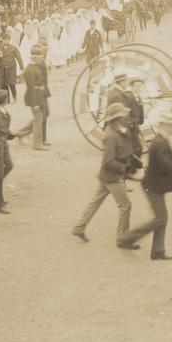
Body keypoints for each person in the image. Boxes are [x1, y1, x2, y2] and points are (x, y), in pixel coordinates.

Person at [117, 111, 172, 260]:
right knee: (160, 219)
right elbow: (165, 165)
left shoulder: (161, 140)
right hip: (154, 187)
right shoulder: (160, 143)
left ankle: (157, 250)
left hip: (154, 185)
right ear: (165, 125)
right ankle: (127, 239)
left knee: (162, 218)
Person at [72, 103, 135, 244]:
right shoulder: (111, 135)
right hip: (113, 177)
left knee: (95, 202)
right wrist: (124, 169)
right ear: (117, 118)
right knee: (125, 206)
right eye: (124, 115)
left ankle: (79, 227)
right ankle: (122, 237)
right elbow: (108, 161)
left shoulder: (119, 129)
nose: (127, 117)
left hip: (107, 175)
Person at [22, 48, 51, 151]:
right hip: (35, 97)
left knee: (41, 118)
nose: (41, 60)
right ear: (34, 57)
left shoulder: (36, 67)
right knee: (38, 121)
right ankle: (37, 144)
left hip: (40, 96)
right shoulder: (29, 70)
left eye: (42, 58)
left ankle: (22, 134)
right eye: (39, 58)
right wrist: (34, 103)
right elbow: (30, 89)